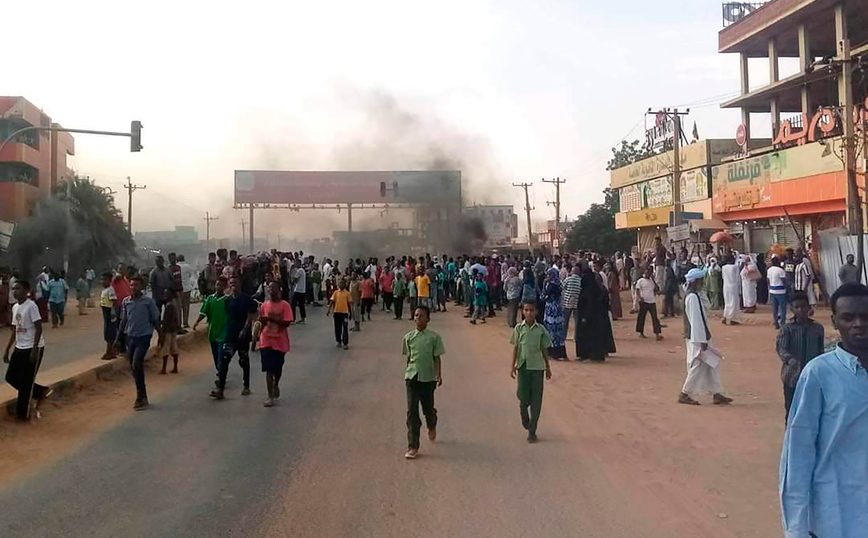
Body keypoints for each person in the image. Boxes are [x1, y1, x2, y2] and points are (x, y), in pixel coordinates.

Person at [779, 282, 868, 538]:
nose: (859, 324)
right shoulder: (819, 374)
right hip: (836, 516)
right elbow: (798, 453)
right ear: (834, 321)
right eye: (849, 317)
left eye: (866, 316)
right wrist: (796, 529)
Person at [678, 268, 732, 406]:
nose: (703, 283)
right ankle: (685, 393)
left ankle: (717, 393)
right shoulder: (691, 297)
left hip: (702, 335)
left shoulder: (695, 295)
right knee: (698, 365)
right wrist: (701, 341)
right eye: (701, 281)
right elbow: (695, 320)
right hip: (697, 337)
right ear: (696, 281)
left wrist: (701, 292)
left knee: (712, 364)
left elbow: (706, 306)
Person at [3, 280, 51, 421]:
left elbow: (38, 328)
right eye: (13, 289)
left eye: (18, 288)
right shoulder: (15, 307)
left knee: (26, 381)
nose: (15, 291)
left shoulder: (31, 306)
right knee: (10, 377)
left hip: (32, 347)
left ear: (26, 290)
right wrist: (7, 349)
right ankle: (40, 391)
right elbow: (15, 329)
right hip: (20, 347)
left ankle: (22, 415)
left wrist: (35, 350)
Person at [402, 305, 445, 460]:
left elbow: (437, 358)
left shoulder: (434, 338)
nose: (417, 318)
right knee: (411, 411)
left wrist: (438, 375)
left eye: (421, 316)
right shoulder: (408, 337)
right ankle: (413, 445)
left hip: (428, 378)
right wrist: (407, 373)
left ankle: (432, 423)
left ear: (427, 319)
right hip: (412, 377)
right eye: (416, 315)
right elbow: (409, 358)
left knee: (427, 408)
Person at [776, 291, 824, 422]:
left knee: (812, 410)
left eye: (803, 306)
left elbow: (820, 351)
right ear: (792, 309)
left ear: (809, 308)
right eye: (797, 307)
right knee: (791, 411)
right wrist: (790, 360)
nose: (801, 310)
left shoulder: (817, 328)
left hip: (813, 376)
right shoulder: (787, 329)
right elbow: (781, 349)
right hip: (791, 376)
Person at [510, 300, 553, 443]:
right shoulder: (518, 328)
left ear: (536, 312)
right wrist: (512, 366)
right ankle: (524, 415)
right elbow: (516, 348)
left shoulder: (540, 329)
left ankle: (532, 430)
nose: (528, 313)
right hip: (523, 366)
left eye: (531, 310)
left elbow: (544, 349)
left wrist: (547, 367)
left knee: (536, 401)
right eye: (526, 310)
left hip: (538, 368)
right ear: (522, 312)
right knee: (523, 397)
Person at [115, 275, 160, 410]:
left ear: (142, 287)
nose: (133, 287)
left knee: (137, 362)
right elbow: (124, 320)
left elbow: (154, 319)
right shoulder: (126, 302)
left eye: (136, 285)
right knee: (133, 367)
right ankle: (141, 393)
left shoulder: (148, 302)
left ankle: (141, 396)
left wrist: (161, 333)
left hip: (144, 336)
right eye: (132, 285)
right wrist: (118, 338)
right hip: (130, 337)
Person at [211, 276, 257, 399]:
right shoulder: (228, 300)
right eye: (231, 283)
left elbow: (251, 315)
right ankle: (220, 388)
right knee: (224, 360)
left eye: (235, 282)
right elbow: (227, 316)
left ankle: (246, 386)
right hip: (230, 334)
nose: (233, 285)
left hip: (243, 336)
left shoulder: (247, 299)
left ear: (240, 284)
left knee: (244, 360)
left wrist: (245, 329)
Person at [257, 282, 293, 408]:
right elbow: (261, 321)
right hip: (266, 340)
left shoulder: (285, 306)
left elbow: (287, 322)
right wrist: (257, 333)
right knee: (268, 369)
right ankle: (270, 396)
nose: (271, 291)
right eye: (269, 289)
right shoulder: (264, 305)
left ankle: (276, 383)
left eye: (274, 289)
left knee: (277, 368)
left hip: (280, 341)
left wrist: (272, 319)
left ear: (280, 290)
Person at [576, 267, 616, 362]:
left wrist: (585, 316)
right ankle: (587, 355)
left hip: (589, 318)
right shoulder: (594, 289)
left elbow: (590, 305)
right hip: (592, 318)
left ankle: (592, 355)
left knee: (590, 337)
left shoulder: (591, 291)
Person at [193, 277, 229, 375]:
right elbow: (204, 312)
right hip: (213, 331)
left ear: (225, 287)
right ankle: (220, 370)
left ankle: (221, 375)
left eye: (221, 285)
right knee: (215, 354)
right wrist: (197, 322)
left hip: (223, 332)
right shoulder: (210, 299)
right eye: (217, 285)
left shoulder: (227, 300)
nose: (218, 287)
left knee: (221, 354)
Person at [542, 268, 567, 360]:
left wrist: (544, 285)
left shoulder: (551, 285)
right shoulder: (559, 284)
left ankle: (552, 353)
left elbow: (543, 296)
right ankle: (561, 353)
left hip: (551, 310)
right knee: (559, 331)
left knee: (551, 331)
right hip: (558, 310)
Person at [635, 266, 663, 341]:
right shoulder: (640, 281)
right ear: (644, 272)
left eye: (650, 272)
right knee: (641, 317)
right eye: (647, 272)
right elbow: (637, 290)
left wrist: (653, 280)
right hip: (644, 301)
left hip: (652, 301)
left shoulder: (651, 281)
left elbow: (657, 289)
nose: (648, 274)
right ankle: (641, 333)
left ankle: (657, 334)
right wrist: (640, 298)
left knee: (655, 318)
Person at [158, 289, 181, 376]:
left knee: (166, 350)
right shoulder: (173, 305)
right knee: (174, 348)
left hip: (168, 330)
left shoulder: (168, 306)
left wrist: (162, 332)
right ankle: (175, 367)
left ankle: (164, 368)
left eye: (166, 294)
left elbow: (167, 321)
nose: (165, 296)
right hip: (173, 329)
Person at [327, 278, 352, 349]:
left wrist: (351, 313)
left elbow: (350, 304)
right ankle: (338, 341)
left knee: (345, 328)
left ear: (345, 285)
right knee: (337, 328)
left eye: (342, 283)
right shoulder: (336, 293)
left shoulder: (347, 293)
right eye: (340, 283)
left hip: (344, 313)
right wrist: (329, 310)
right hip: (337, 312)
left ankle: (345, 343)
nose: (341, 285)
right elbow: (332, 301)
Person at [99, 272, 118, 361]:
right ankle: (112, 352)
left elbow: (114, 301)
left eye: (105, 280)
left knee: (109, 334)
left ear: (110, 281)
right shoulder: (104, 290)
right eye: (102, 280)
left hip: (109, 312)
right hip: (105, 312)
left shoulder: (110, 290)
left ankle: (109, 352)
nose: (103, 282)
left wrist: (113, 313)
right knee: (107, 333)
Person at [768, 256, 789, 329]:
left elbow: (768, 280)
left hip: (772, 290)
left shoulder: (769, 270)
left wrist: (770, 287)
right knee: (783, 308)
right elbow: (784, 281)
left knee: (775, 308)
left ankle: (776, 322)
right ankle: (782, 323)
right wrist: (788, 289)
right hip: (781, 291)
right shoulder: (780, 270)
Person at [561, 266, 581, 338]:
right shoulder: (580, 281)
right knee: (577, 322)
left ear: (573, 272)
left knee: (565, 321)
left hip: (567, 302)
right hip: (576, 303)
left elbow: (563, 287)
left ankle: (563, 336)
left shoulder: (568, 279)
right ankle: (576, 337)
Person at [721, 256, 741, 325]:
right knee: (733, 302)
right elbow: (737, 278)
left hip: (726, 286)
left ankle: (725, 316)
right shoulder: (735, 267)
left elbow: (723, 277)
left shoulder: (723, 267)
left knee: (727, 302)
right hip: (733, 286)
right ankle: (732, 318)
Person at [177, 254, 194, 328]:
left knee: (178, 308)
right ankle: (185, 323)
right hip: (187, 288)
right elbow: (190, 275)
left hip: (178, 289)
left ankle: (179, 323)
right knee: (186, 307)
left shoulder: (176, 267)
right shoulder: (188, 266)